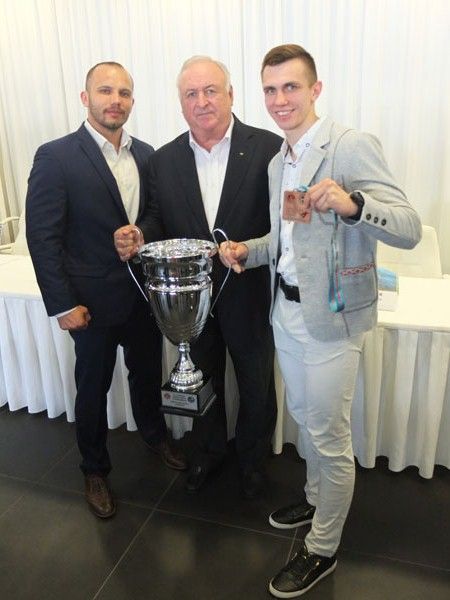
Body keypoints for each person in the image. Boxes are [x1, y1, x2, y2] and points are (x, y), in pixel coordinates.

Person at [219, 44, 422, 597]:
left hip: (334, 319)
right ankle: (315, 500)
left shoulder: (349, 145)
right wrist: (247, 251)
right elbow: (287, 240)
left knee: (330, 437)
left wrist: (353, 204)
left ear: (315, 89)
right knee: (307, 420)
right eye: (270, 89)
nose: (280, 99)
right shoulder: (277, 161)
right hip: (286, 312)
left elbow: (408, 227)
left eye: (291, 87)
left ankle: (323, 548)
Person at [114, 56, 282, 498]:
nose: (202, 101)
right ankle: (208, 453)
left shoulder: (269, 148)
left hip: (249, 291)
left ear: (231, 95)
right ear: (181, 102)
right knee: (202, 379)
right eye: (191, 94)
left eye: (211, 91)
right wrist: (141, 234)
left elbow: (281, 225)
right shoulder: (164, 160)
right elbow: (157, 217)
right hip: (191, 301)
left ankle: (252, 460)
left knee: (256, 383)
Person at [26, 61, 186, 520]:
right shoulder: (56, 156)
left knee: (146, 373)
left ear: (132, 101)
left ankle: (154, 436)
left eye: (124, 93)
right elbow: (43, 237)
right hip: (89, 303)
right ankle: (94, 469)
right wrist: (62, 305)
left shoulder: (147, 155)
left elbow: (156, 214)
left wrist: (140, 232)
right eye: (105, 91)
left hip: (142, 295)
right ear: (85, 98)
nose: (115, 100)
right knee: (92, 388)